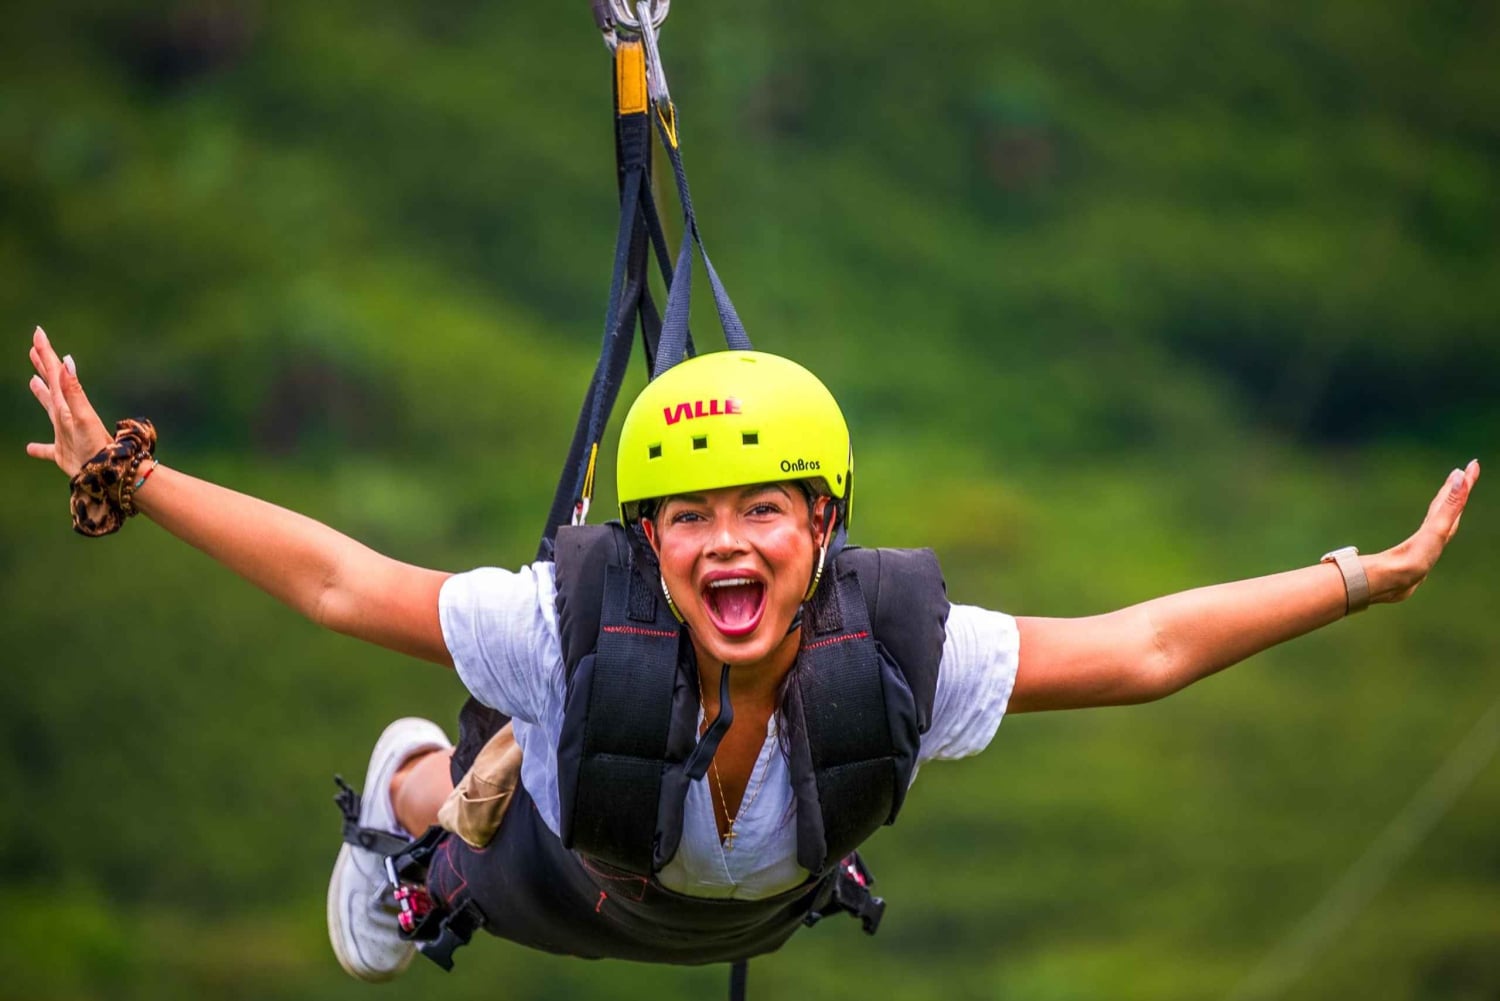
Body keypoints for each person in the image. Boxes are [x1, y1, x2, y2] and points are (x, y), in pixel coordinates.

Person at [24, 325, 1481, 983]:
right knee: (464, 804)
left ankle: (502, 759)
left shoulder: (901, 652)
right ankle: (418, 799)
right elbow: (348, 585)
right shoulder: (574, 617)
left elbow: (1148, 646)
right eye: (692, 518)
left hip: (751, 903)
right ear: (648, 542)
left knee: (570, 736)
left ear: (824, 525)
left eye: (764, 511)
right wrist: (135, 480)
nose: (728, 544)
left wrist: (1365, 575)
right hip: (560, 876)